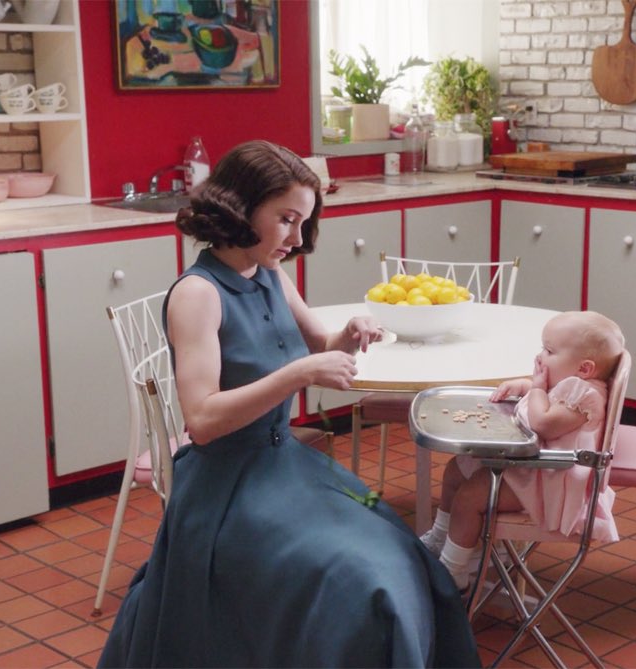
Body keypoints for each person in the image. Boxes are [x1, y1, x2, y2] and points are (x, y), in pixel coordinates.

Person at [98, 140, 480, 668]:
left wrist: (350, 333)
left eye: (304, 222)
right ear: (240, 206)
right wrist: (297, 373)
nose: (298, 239)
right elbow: (203, 421)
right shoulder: (198, 294)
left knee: (397, 545)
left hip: (285, 468)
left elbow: (322, 350)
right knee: (365, 579)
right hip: (228, 488)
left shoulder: (271, 273)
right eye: (286, 220)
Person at [418, 311, 625, 589]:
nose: (540, 356)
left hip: (547, 481)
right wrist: (526, 386)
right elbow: (551, 396)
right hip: (528, 466)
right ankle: (439, 537)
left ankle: (453, 572)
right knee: (456, 468)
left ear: (584, 369)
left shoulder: (585, 395)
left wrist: (537, 387)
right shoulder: (572, 384)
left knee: (469, 498)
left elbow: (544, 423)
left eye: (549, 351)